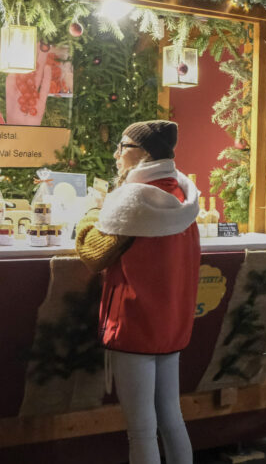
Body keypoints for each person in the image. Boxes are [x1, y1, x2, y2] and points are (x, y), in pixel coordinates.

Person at [75, 120, 200, 464]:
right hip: (171, 326)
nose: (117, 154)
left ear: (144, 153)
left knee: (142, 429)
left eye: (124, 146)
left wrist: (92, 210)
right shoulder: (182, 193)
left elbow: (92, 253)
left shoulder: (132, 199)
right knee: (171, 417)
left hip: (133, 323)